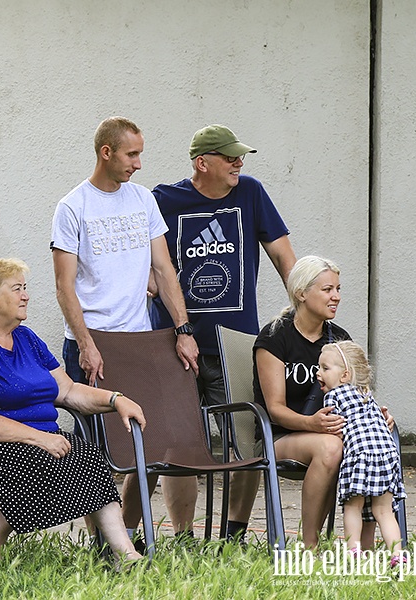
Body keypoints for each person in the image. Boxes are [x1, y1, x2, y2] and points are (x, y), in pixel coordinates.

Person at [0, 258, 147, 563]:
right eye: (17, 289)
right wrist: (40, 438)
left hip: (26, 437)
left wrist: (115, 399)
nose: (26, 295)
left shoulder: (26, 337)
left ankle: (125, 554)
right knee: (37, 459)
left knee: (86, 455)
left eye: (25, 288)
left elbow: (67, 390)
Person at [50, 116, 198, 538]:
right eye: (132, 154)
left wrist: (182, 330)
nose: (138, 163)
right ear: (106, 152)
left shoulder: (143, 200)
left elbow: (164, 270)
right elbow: (64, 288)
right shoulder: (73, 207)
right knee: (99, 455)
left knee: (149, 444)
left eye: (140, 154)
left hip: (141, 343)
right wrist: (86, 343)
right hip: (94, 344)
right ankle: (103, 544)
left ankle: (124, 536)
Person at [150, 124, 297, 542]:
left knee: (247, 440)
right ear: (202, 162)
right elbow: (149, 265)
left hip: (236, 343)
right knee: (180, 444)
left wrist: (299, 310)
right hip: (176, 343)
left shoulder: (250, 192)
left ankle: (232, 532)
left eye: (240, 156)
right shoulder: (164, 201)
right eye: (229, 156)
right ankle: (182, 535)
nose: (239, 162)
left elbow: (286, 258)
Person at [254, 255, 394, 549]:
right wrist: (312, 423)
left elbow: (359, 392)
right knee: (331, 448)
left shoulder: (340, 339)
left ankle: (365, 544)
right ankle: (310, 545)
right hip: (278, 435)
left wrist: (377, 415)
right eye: (328, 289)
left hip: (334, 432)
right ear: (302, 293)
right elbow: (275, 409)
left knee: (363, 444)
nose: (336, 297)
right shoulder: (275, 336)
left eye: (338, 289)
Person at [318, 341, 405, 563]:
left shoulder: (333, 397)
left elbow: (334, 431)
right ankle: (397, 555)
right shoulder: (368, 396)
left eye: (325, 369)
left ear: (345, 375)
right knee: (384, 511)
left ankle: (353, 552)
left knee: (353, 507)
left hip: (359, 455)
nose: (318, 374)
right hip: (387, 453)